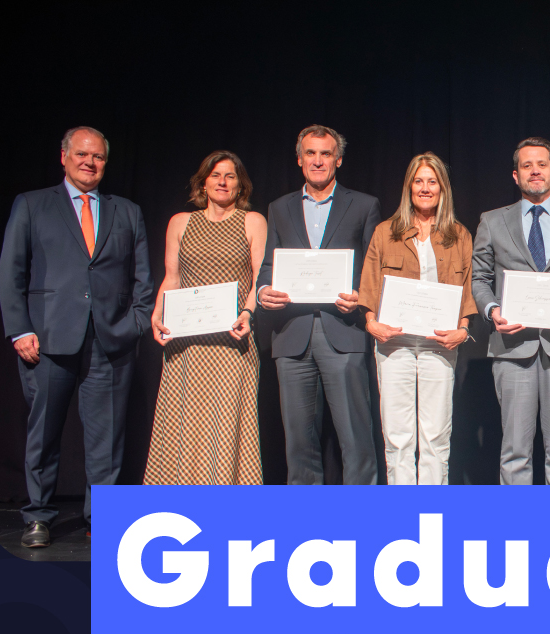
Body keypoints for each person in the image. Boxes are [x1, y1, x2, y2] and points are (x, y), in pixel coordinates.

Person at [0, 126, 152, 547]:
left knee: (107, 441)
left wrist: (136, 323)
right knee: (44, 435)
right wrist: (20, 330)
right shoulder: (32, 204)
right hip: (46, 341)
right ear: (63, 157)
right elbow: (11, 273)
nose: (90, 162)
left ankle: (101, 519)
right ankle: (38, 517)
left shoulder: (127, 211)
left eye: (98, 156)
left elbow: (143, 278)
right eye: (82, 154)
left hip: (111, 342)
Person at [471, 137, 550, 485]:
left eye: (541, 164)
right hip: (512, 347)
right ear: (516, 175)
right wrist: (492, 310)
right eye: (526, 165)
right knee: (515, 450)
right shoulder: (492, 221)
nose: (535, 171)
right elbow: (480, 278)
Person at [255, 125, 381, 484]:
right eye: (310, 153)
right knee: (298, 441)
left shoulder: (364, 205)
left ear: (338, 160)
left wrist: (361, 297)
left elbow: (374, 267)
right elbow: (269, 266)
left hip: (343, 331)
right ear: (299, 159)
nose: (318, 160)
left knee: (356, 437)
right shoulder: (279, 208)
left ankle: (363, 513)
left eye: (326, 153)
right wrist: (263, 292)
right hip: (292, 334)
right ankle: (305, 514)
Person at [143, 151, 266, 485]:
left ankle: (227, 503)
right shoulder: (180, 222)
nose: (222, 182)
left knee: (226, 425)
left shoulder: (252, 221)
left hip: (232, 342)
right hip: (187, 345)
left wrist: (248, 313)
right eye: (215, 175)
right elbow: (172, 278)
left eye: (230, 176)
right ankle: (180, 503)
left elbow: (260, 278)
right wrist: (158, 313)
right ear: (203, 183)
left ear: (240, 185)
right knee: (185, 424)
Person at [357, 153, 475, 485]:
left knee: (436, 436)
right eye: (418, 181)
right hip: (394, 344)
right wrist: (371, 322)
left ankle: (431, 509)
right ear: (409, 187)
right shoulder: (385, 232)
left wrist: (463, 330)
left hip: (440, 344)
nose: (425, 188)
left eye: (432, 182)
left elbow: (468, 287)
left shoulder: (459, 235)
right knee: (398, 437)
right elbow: (369, 284)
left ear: (442, 188)